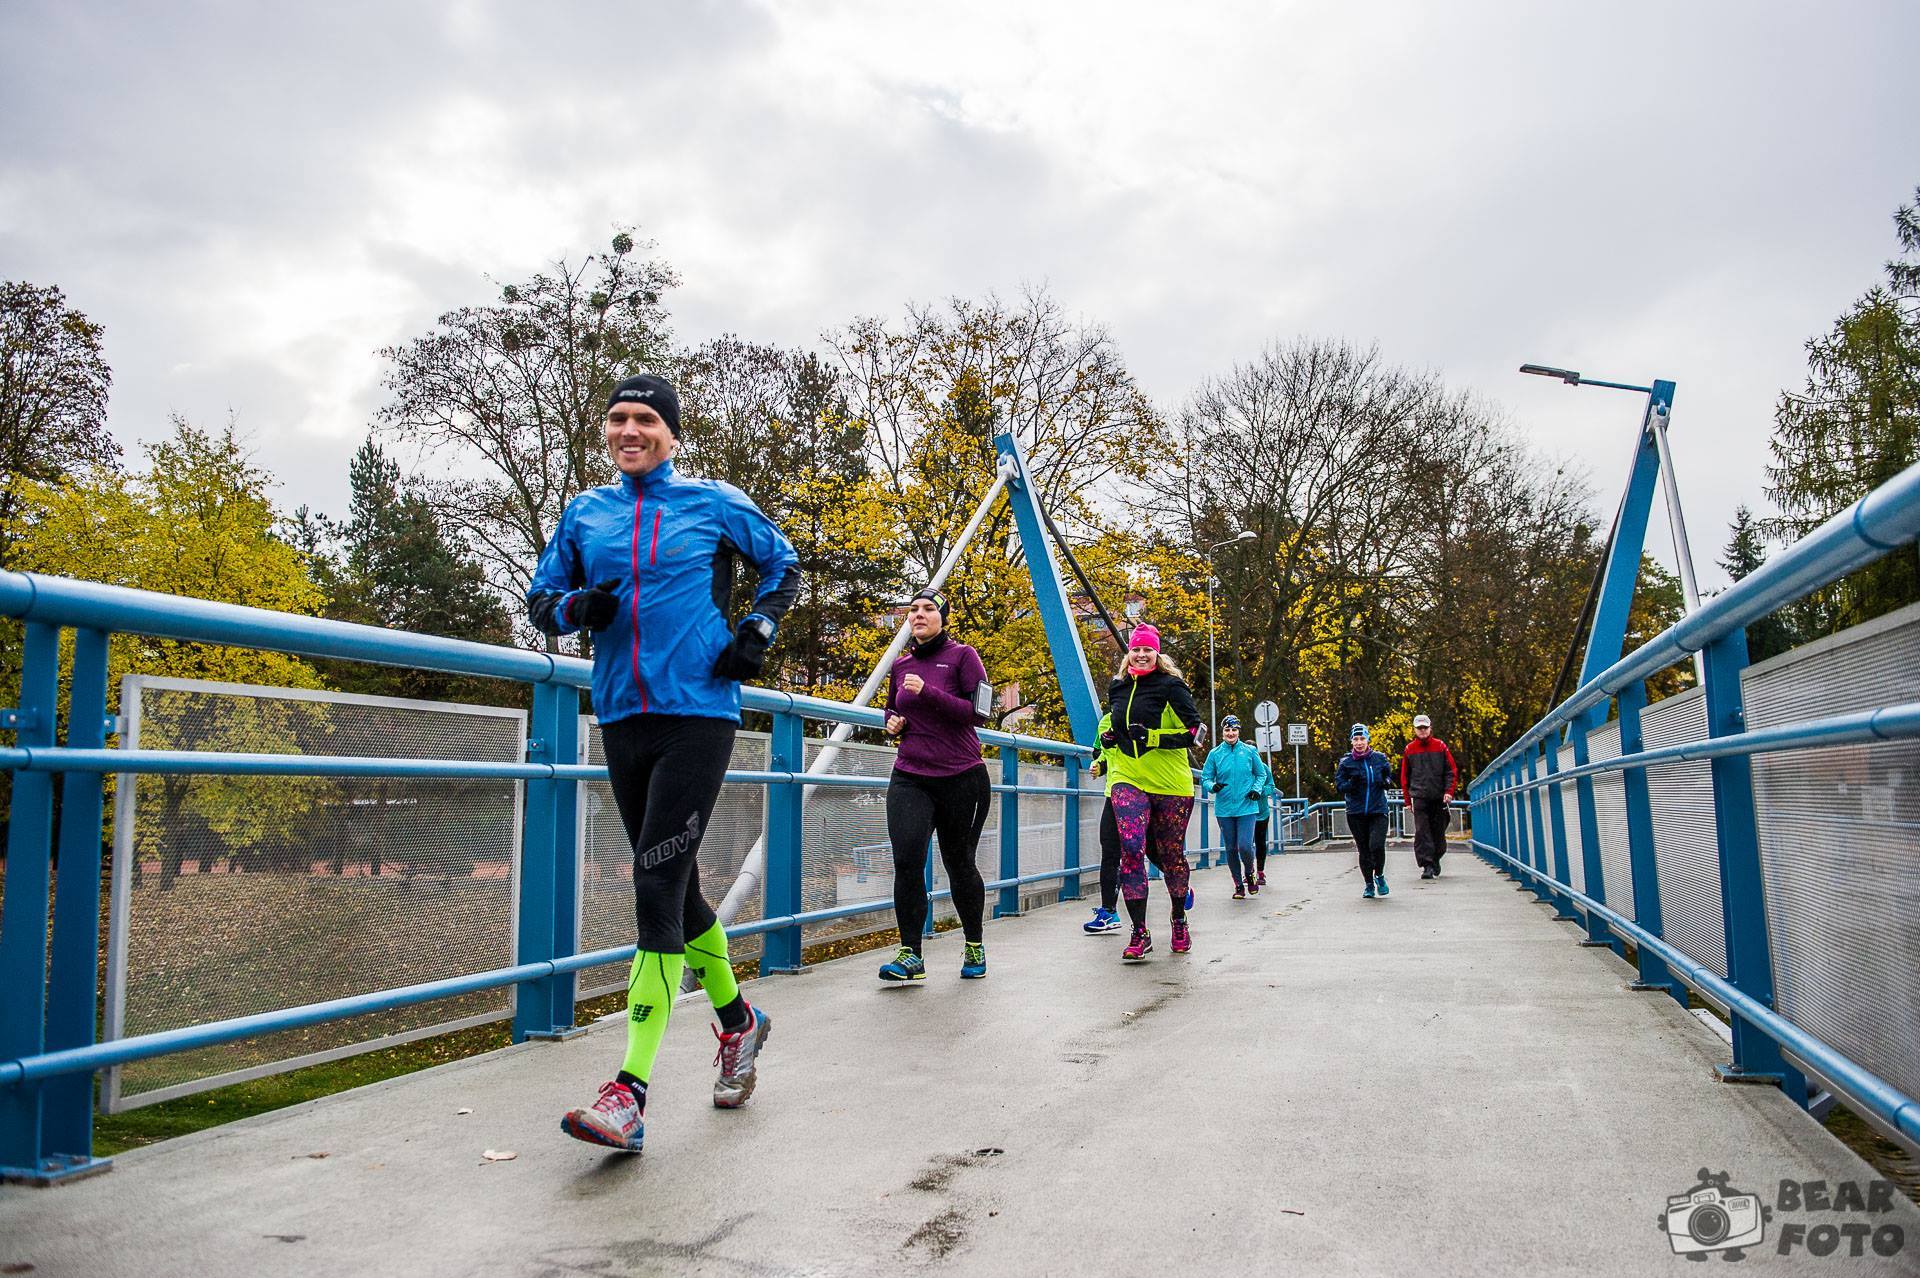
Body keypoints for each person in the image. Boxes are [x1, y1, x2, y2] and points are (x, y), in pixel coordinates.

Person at [528, 372, 801, 1153]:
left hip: (699, 713)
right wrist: (581, 610)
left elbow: (784, 566)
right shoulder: (586, 512)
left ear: (672, 434)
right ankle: (740, 1022)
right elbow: (543, 601)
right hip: (620, 714)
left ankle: (629, 1092)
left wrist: (757, 632)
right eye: (617, 419)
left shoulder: (713, 502)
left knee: (653, 878)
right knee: (676, 890)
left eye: (645, 419)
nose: (629, 430)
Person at [877, 589, 993, 981]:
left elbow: (979, 713)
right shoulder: (901, 664)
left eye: (929, 609)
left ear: (943, 616)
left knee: (959, 863)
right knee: (906, 861)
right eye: (913, 610)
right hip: (911, 774)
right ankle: (911, 954)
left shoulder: (964, 657)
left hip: (961, 776)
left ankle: (974, 943)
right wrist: (891, 721)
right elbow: (893, 709)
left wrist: (929, 693)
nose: (919, 615)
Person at [1103, 625, 1202, 960]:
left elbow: (1195, 732)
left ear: (1157, 654)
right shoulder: (1117, 687)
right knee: (1131, 849)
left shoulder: (1171, 686)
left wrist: (1153, 737)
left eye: (1148, 650)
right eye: (1136, 649)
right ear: (1128, 653)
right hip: (1128, 776)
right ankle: (1139, 932)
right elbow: (1114, 725)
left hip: (1171, 783)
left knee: (1170, 854)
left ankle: (1178, 918)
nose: (1141, 654)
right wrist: (1111, 740)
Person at [1200, 714, 1272, 898]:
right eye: (1227, 730)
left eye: (1234, 730)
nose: (1230, 733)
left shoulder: (1249, 751)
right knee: (1231, 848)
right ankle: (1238, 885)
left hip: (1247, 806)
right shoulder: (1215, 754)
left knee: (1245, 846)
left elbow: (1261, 774)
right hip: (1224, 808)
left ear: (1239, 731)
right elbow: (1205, 777)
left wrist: (1257, 789)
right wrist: (1211, 786)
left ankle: (1250, 873)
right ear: (1222, 732)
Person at [1335, 722, 1393, 899]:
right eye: (1356, 739)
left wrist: (1387, 782)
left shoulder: (1379, 758)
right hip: (1356, 812)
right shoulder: (1346, 763)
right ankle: (1368, 884)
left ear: (1368, 740)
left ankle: (1380, 876)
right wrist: (1350, 784)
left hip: (1378, 810)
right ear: (1351, 741)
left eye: (1362, 739)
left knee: (1376, 845)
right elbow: (1339, 786)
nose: (1359, 742)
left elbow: (1388, 775)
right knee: (1364, 850)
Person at [1080, 711, 1125, 934]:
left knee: (1151, 851)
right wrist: (1099, 766)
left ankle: (1179, 888)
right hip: (1114, 792)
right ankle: (1109, 912)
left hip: (1145, 793)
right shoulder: (1106, 721)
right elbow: (1102, 753)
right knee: (1109, 851)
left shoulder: (1146, 712)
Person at [1400, 713, 1459, 879]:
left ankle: (1435, 858)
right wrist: (1407, 801)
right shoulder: (1409, 749)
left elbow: (1451, 771)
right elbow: (1405, 776)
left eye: (1425, 727)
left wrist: (1449, 791)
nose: (1422, 730)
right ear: (1415, 730)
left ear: (1430, 728)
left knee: (1438, 832)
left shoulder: (1440, 746)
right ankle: (1426, 865)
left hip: (1438, 797)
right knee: (1422, 832)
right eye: (1419, 728)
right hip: (1419, 797)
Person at [1252, 762, 1279, 887]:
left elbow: (1271, 786)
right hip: (1244, 812)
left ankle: (1260, 872)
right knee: (1245, 844)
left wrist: (1261, 791)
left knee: (1260, 842)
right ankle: (1249, 873)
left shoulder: (1263, 768)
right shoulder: (1239, 766)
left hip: (1262, 812)